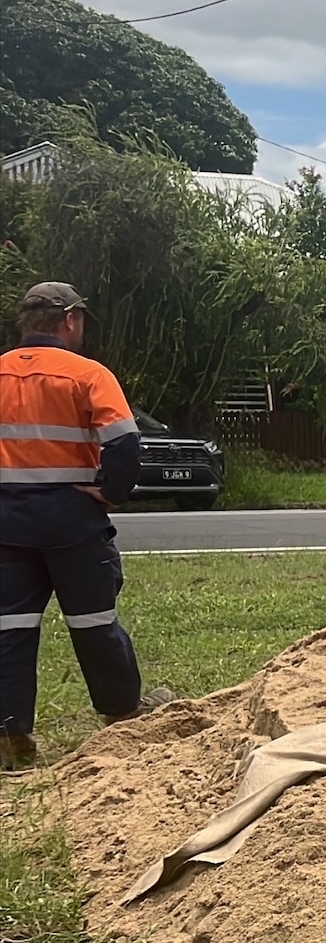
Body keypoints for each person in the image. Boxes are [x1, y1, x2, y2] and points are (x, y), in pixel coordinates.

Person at [1, 282, 155, 770]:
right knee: (94, 622)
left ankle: (11, 740)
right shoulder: (87, 374)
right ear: (68, 320)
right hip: (72, 518)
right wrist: (112, 492)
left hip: (6, 520)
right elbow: (126, 445)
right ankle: (124, 717)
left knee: (9, 628)